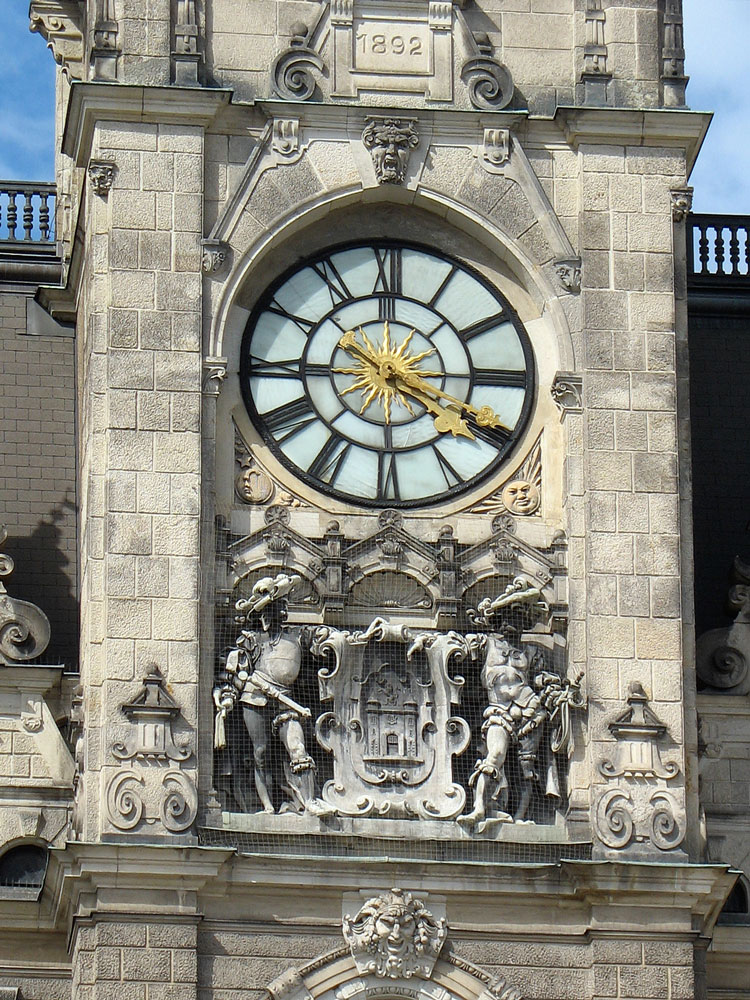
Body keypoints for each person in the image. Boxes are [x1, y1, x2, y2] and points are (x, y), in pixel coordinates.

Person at [213, 573, 333, 817]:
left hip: (286, 700)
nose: (281, 612)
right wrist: (227, 695)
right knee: (260, 753)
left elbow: (324, 638)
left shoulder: (298, 636)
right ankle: (266, 806)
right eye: (276, 608)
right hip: (254, 698)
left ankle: (310, 800)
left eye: (283, 607)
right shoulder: (251, 641)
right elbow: (236, 673)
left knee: (297, 746)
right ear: (264, 614)